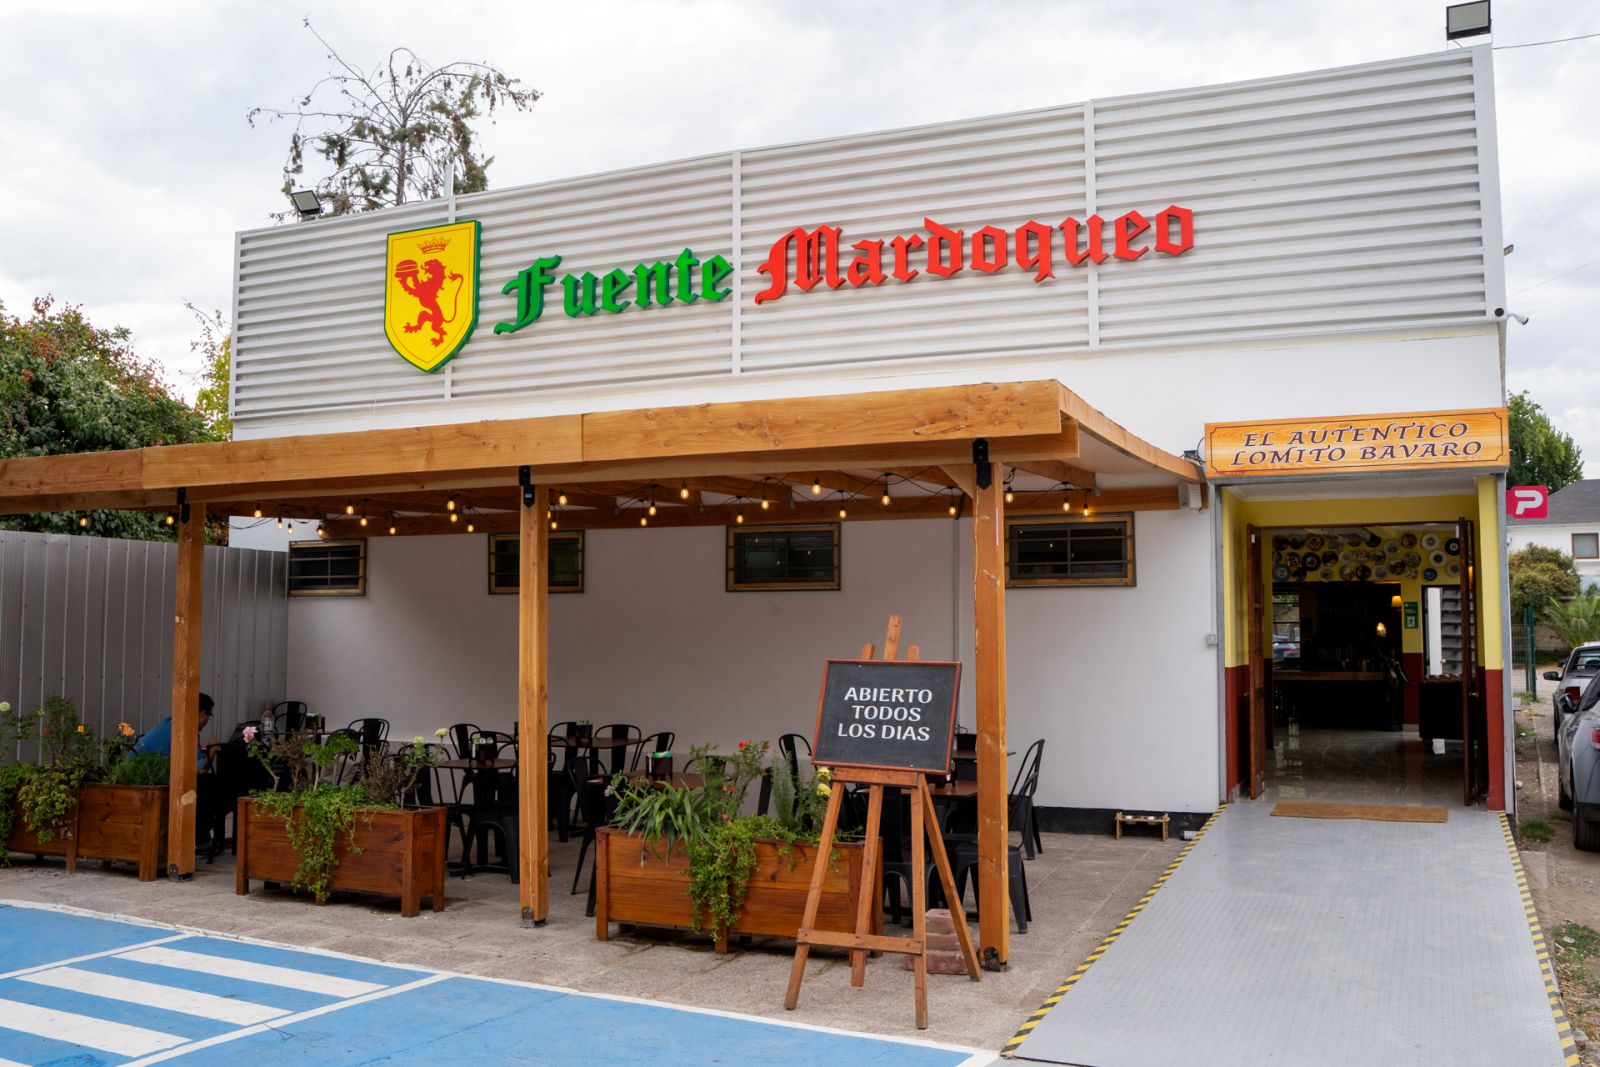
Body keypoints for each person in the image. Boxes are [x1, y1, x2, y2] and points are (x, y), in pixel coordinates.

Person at [135, 693, 223, 855]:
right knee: (207, 786)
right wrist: (212, 750)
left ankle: (200, 837)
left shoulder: (172, 723)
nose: (207, 721)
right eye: (208, 716)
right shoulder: (186, 729)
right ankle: (201, 839)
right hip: (151, 782)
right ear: (202, 714)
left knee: (201, 785)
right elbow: (200, 769)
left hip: (138, 776)